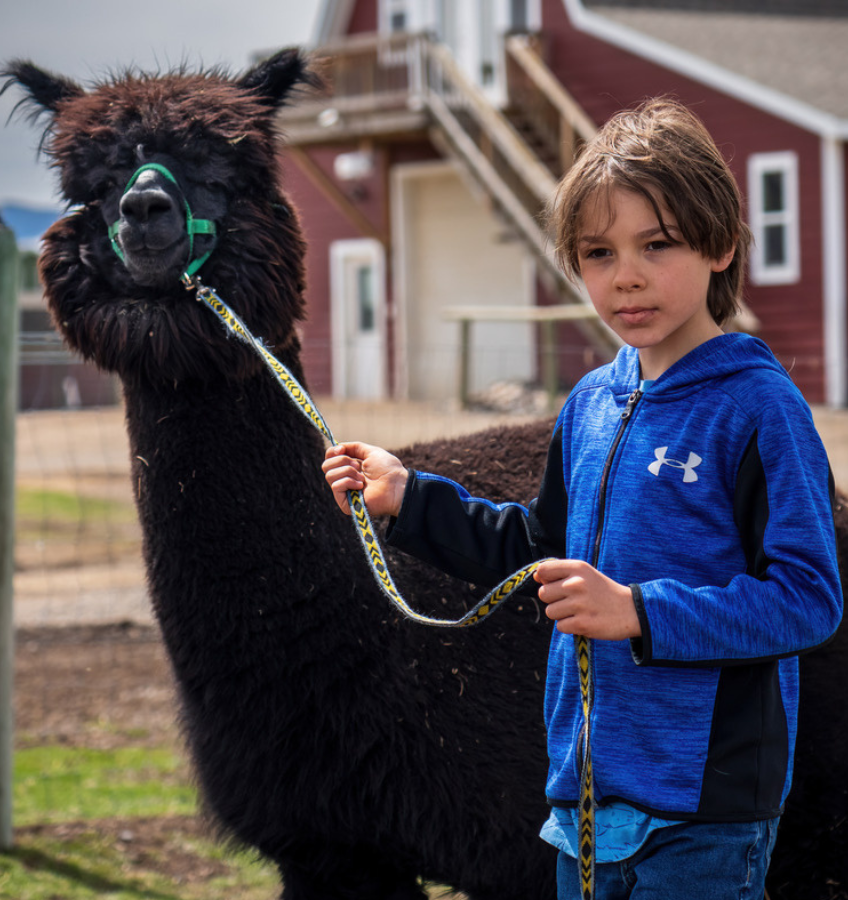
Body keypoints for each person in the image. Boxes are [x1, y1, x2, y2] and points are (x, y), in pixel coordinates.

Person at [321, 98, 842, 899]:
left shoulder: (758, 408)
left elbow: (808, 600)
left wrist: (639, 612)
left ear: (721, 243)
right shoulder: (592, 404)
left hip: (705, 813)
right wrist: (407, 498)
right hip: (585, 806)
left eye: (656, 244)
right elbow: (536, 548)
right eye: (598, 252)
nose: (625, 275)